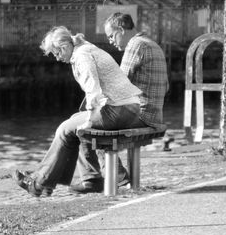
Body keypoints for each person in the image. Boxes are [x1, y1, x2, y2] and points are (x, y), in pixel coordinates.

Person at [13, 26, 143, 197]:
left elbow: (93, 90)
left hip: (118, 109)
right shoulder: (84, 49)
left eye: (56, 53)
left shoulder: (81, 56)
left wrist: (89, 119)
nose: (57, 59)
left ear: (65, 47)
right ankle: (91, 179)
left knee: (65, 129)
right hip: (129, 108)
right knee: (76, 120)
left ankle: (40, 184)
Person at [70, 12, 169, 193]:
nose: (110, 41)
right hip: (155, 113)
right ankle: (114, 178)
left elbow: (119, 82)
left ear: (121, 30)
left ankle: (100, 179)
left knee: (90, 125)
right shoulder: (152, 44)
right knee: (94, 116)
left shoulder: (135, 45)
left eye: (111, 35)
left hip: (141, 114)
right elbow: (167, 86)